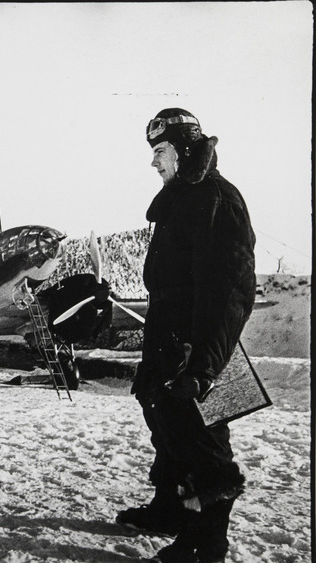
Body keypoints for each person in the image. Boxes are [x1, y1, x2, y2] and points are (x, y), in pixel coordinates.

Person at [117, 108, 256, 563]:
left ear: (184, 150)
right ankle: (169, 511)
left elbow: (227, 292)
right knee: (169, 429)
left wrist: (205, 366)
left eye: (160, 152)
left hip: (197, 350)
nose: (153, 163)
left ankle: (205, 543)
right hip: (169, 342)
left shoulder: (216, 198)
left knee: (202, 443)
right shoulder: (183, 199)